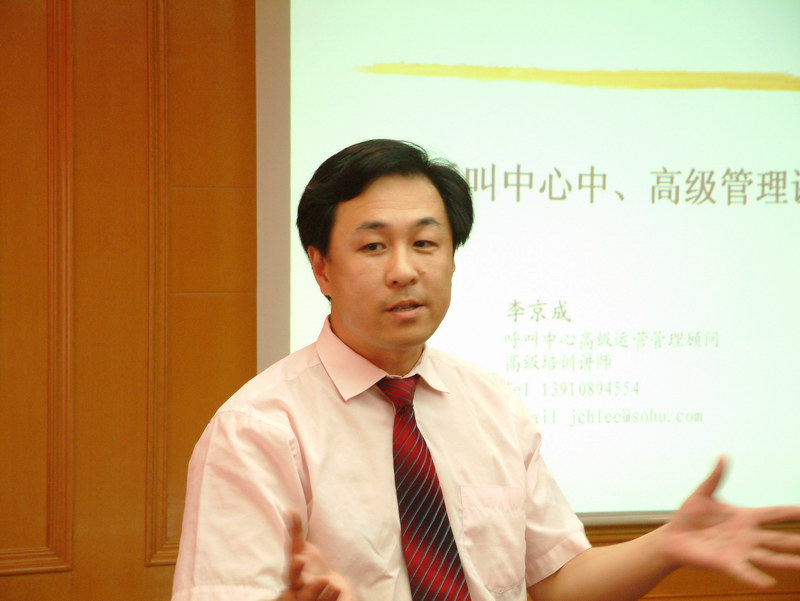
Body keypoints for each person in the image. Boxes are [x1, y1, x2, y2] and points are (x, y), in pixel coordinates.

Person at [171, 139, 800, 601]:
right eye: (373, 245)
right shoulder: (257, 429)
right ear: (321, 267)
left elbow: (558, 582)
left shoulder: (489, 403)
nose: (404, 270)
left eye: (425, 243)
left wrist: (664, 545)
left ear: (452, 259)